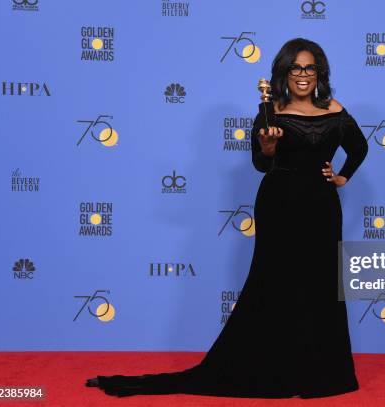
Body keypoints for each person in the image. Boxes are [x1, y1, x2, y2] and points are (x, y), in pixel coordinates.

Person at [85, 37, 369, 399]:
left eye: (309, 68)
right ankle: (276, 370)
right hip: (280, 205)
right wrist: (267, 147)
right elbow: (261, 163)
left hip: (322, 208)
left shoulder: (334, 108)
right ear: (283, 73)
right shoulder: (270, 111)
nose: (302, 74)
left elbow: (359, 147)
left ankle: (322, 374)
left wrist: (342, 176)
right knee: (277, 284)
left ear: (319, 73)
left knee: (321, 283)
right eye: (295, 67)